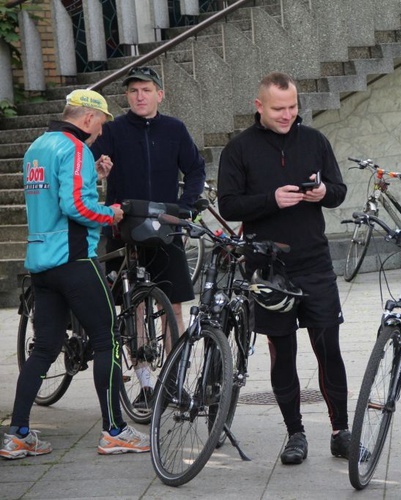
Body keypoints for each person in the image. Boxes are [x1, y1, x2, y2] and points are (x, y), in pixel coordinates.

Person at [1, 89, 150, 459]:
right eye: (100, 124)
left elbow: (54, 197)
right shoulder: (76, 148)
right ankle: (114, 430)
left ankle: (18, 433)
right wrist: (110, 213)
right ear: (87, 118)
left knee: (44, 348)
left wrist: (94, 176)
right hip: (75, 261)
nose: (100, 133)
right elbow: (76, 206)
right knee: (108, 340)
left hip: (41, 263)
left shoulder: (37, 145)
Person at [217, 71, 351, 465]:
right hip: (266, 268)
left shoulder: (314, 140)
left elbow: (339, 191)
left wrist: (326, 192)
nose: (287, 114)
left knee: (329, 346)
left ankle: (341, 430)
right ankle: (295, 433)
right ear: (259, 106)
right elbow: (228, 205)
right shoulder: (239, 148)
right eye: (279, 108)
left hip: (314, 261)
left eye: (293, 107)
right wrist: (271, 199)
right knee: (284, 351)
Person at [91, 66, 206, 405]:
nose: (139, 96)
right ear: (127, 97)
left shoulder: (174, 129)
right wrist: (99, 170)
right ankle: (145, 384)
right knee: (135, 307)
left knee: (174, 306)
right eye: (133, 91)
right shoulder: (112, 130)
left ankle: (173, 381)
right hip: (123, 227)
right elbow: (90, 163)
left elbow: (196, 167)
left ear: (160, 94)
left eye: (146, 90)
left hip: (164, 227)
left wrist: (186, 207)